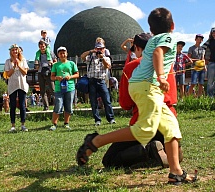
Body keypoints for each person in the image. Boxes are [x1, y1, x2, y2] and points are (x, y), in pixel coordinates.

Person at [76, 7, 197, 185]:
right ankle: (96, 141)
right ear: (172, 25)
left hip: (144, 86)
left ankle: (176, 172)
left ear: (151, 29)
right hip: (148, 86)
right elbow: (158, 53)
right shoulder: (168, 38)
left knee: (171, 127)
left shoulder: (153, 41)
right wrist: (162, 77)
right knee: (145, 130)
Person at [103, 33, 183, 169]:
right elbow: (173, 96)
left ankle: (148, 150)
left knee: (109, 159)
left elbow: (126, 104)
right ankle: (169, 149)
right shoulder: (166, 65)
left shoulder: (131, 67)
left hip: (145, 122)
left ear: (138, 49)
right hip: (169, 121)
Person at [80, 40, 116, 126]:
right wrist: (91, 51)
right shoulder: (90, 57)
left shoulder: (106, 58)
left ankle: (110, 118)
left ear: (104, 49)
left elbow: (108, 66)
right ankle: (97, 119)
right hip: (92, 81)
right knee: (93, 102)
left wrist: (101, 58)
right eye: (98, 48)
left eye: (101, 48)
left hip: (101, 81)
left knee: (107, 100)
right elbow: (82, 57)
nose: (99, 50)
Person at [49, 46, 79, 131]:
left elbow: (77, 74)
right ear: (58, 55)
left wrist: (70, 76)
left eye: (64, 53)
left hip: (70, 87)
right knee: (58, 104)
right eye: (60, 53)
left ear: (67, 53)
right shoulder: (55, 65)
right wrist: (56, 78)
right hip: (59, 88)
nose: (62, 54)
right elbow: (52, 77)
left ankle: (66, 123)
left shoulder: (72, 64)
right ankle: (54, 124)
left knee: (68, 106)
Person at [4, 44, 29, 132]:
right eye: (13, 50)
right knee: (13, 105)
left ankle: (23, 124)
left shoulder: (23, 60)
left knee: (22, 104)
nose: (15, 51)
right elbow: (8, 74)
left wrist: (19, 65)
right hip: (12, 85)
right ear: (10, 52)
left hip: (21, 84)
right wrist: (14, 67)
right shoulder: (8, 61)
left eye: (16, 50)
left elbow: (25, 72)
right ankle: (13, 125)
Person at [35, 40, 57, 111]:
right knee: (42, 90)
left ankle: (56, 105)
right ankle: (46, 106)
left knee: (52, 89)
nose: (42, 48)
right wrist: (37, 65)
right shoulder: (38, 54)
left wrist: (52, 64)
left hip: (49, 71)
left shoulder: (50, 52)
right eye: (41, 46)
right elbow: (36, 63)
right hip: (40, 72)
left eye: (43, 46)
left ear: (46, 46)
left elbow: (55, 60)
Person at [202, 28, 215, 97]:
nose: (214, 34)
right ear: (211, 34)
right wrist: (204, 58)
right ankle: (210, 97)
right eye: (213, 32)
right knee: (210, 81)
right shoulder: (209, 41)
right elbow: (202, 48)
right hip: (211, 63)